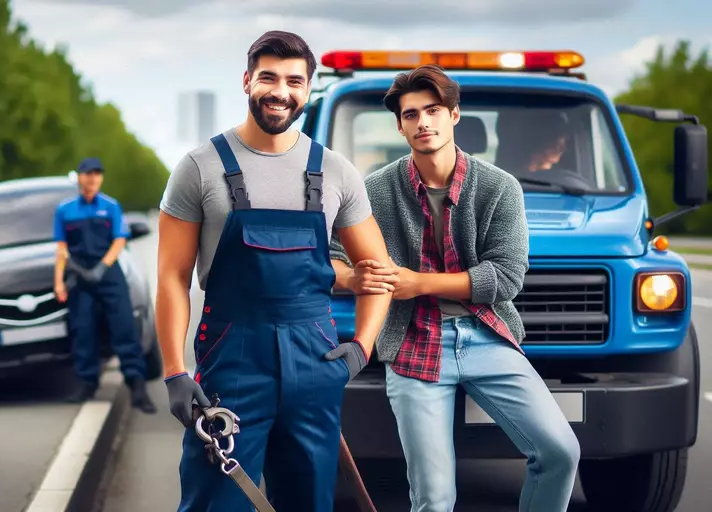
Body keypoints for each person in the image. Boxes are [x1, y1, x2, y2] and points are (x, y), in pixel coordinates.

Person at [156, 30, 393, 512]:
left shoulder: (335, 172)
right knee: (216, 501)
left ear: (308, 88)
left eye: (293, 81)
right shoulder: (199, 169)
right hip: (233, 358)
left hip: (317, 362)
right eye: (268, 77)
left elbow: (378, 272)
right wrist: (174, 371)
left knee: (309, 499)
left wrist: (361, 350)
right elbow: (171, 277)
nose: (280, 91)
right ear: (247, 82)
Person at [329, 65, 581, 512]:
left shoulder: (500, 187)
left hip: (487, 337)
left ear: (454, 115)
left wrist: (414, 282)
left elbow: (506, 276)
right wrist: (354, 277)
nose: (423, 122)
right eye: (411, 115)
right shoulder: (374, 191)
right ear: (399, 125)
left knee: (561, 451)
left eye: (433, 110)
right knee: (435, 498)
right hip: (412, 343)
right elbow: (331, 257)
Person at [53, 157, 156, 411]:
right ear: (80, 177)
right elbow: (61, 248)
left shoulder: (111, 206)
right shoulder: (65, 210)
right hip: (80, 277)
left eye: (97, 174)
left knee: (124, 329)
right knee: (83, 332)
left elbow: (119, 240)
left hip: (109, 275)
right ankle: (86, 384)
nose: (92, 178)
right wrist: (59, 282)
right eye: (88, 174)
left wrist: (101, 268)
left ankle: (137, 387)